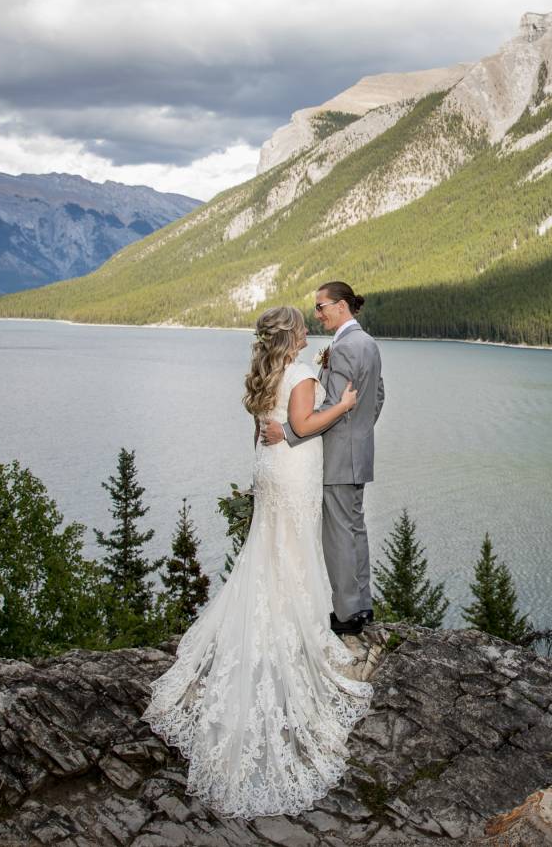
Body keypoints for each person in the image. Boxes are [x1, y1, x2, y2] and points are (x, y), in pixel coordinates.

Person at [143, 305, 371, 818]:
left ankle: (274, 613)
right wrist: (347, 402)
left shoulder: (265, 371)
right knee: (293, 550)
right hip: (293, 469)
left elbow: (268, 422)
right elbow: (303, 423)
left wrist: (322, 362)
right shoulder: (303, 373)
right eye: (304, 328)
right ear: (293, 337)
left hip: (267, 471)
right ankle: (298, 625)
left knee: (267, 548)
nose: (311, 332)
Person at [259, 281, 384, 637]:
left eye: (321, 306)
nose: (316, 314)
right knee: (355, 529)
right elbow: (378, 394)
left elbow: (333, 407)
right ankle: (362, 605)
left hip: (338, 457)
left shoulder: (344, 347)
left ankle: (347, 613)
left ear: (341, 306)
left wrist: (287, 431)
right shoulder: (368, 344)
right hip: (357, 453)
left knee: (339, 535)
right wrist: (359, 432)